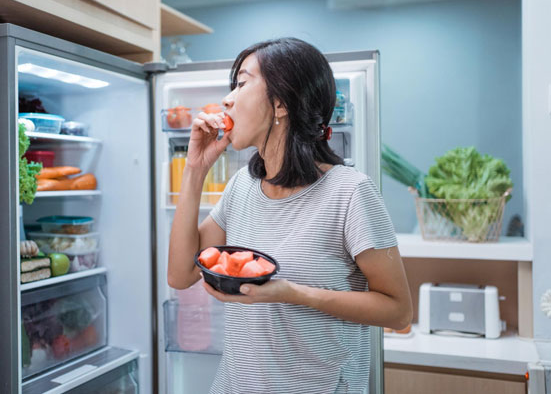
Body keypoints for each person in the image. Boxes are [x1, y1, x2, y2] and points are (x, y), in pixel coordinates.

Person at [167, 37, 412, 394]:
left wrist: (292, 293)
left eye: (242, 83)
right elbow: (180, 274)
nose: (227, 99)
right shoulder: (242, 187)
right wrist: (194, 170)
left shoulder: (350, 192)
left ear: (280, 103)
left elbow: (398, 311)